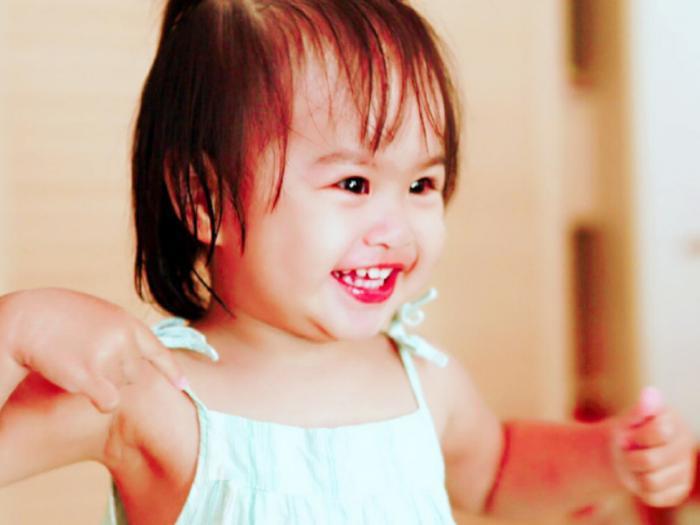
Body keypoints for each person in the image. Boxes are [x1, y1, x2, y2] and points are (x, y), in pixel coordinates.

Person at [0, 1, 695, 523]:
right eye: (354, 183)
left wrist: (606, 457)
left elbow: (496, 472)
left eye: (421, 184)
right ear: (203, 198)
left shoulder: (423, 381)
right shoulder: (144, 395)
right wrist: (16, 326)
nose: (396, 228)